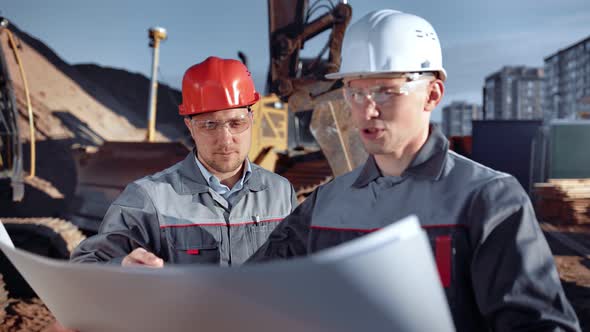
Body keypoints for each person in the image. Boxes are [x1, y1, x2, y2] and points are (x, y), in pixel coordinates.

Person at [248, 10, 581, 331]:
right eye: (355, 91)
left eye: (385, 91)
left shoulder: (488, 200)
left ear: (432, 94)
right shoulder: (325, 204)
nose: (367, 109)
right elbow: (253, 288)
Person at [71, 56, 298, 267]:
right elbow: (86, 263)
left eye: (236, 123)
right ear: (190, 126)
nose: (226, 140)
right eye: (209, 125)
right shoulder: (148, 197)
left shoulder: (281, 193)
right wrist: (121, 267)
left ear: (251, 118)